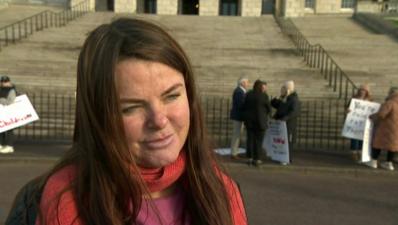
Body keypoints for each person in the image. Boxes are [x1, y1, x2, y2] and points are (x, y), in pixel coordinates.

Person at [8, 18, 247, 225]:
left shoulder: (221, 189)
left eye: (172, 95)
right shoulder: (42, 202)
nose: (160, 120)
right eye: (131, 107)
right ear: (99, 116)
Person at [365, 87, 398, 171]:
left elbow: (381, 114)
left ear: (391, 93)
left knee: (378, 143)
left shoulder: (390, 102)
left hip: (386, 128)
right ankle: (389, 163)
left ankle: (373, 161)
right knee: (392, 145)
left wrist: (372, 116)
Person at [242, 79, 271, 166]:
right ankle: (257, 158)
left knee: (250, 140)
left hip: (250, 121)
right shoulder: (264, 96)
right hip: (260, 122)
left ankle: (250, 158)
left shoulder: (248, 95)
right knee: (258, 141)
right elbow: (269, 108)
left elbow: (244, 106)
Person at [271, 80, 300, 164]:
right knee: (282, 141)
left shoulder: (294, 99)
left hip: (289, 125)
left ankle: (287, 158)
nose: (282, 89)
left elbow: (294, 112)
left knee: (288, 142)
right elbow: (275, 104)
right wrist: (280, 96)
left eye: (283, 88)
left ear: (288, 89)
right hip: (282, 124)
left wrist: (284, 119)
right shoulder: (285, 99)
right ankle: (281, 157)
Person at [346, 84, 372, 162]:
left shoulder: (369, 100)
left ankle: (360, 152)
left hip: (364, 122)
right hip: (355, 121)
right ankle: (353, 152)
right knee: (354, 137)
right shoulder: (353, 99)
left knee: (362, 138)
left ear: (367, 92)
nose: (362, 92)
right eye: (361, 90)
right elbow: (347, 108)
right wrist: (348, 110)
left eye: (364, 90)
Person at [229, 76, 249, 159]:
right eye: (247, 82)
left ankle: (235, 152)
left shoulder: (241, 91)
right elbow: (240, 104)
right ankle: (234, 153)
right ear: (243, 83)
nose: (248, 84)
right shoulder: (239, 92)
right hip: (238, 116)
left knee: (238, 135)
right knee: (236, 135)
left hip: (239, 116)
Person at [0, 75, 17, 154]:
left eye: (5, 82)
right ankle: (1, 144)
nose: (4, 83)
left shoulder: (11, 90)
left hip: (10, 112)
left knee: (9, 129)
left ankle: (9, 146)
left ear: (9, 82)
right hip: (2, 112)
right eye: (3, 82)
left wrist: (1, 100)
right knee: (1, 128)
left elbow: (10, 101)